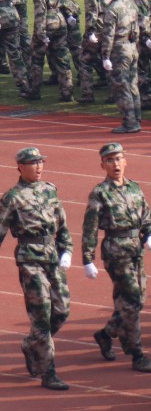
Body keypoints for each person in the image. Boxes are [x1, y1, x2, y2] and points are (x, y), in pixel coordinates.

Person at [82, 141, 151, 374]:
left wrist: (150, 234)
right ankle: (136, 353)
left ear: (125, 161)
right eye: (110, 160)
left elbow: (146, 216)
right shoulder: (100, 193)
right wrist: (87, 258)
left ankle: (106, 334)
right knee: (133, 300)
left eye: (118, 159)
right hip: (116, 250)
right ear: (102, 165)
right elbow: (90, 227)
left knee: (135, 300)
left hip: (136, 249)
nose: (115, 164)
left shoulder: (134, 188)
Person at [0, 146, 72, 389]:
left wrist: (67, 250)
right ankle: (48, 371)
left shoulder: (50, 190)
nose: (38, 167)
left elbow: (61, 224)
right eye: (33, 163)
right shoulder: (12, 198)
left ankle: (32, 343)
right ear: (20, 167)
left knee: (61, 309)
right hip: (29, 258)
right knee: (41, 314)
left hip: (51, 255)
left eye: (40, 162)